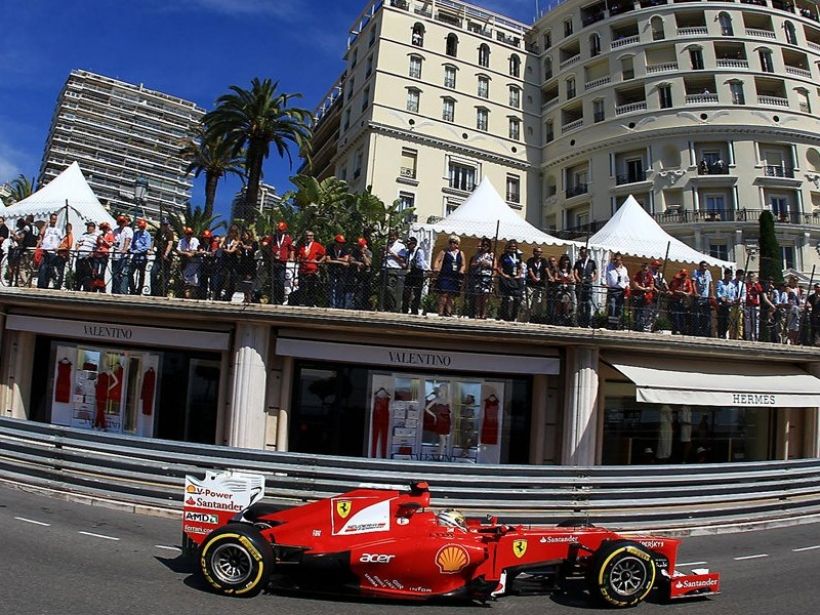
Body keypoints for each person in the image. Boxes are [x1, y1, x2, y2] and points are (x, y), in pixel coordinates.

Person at [433, 235, 465, 317]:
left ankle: (448, 312)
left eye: (454, 242)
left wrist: (461, 270)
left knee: (452, 295)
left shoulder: (460, 253)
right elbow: (437, 261)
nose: (452, 244)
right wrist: (436, 268)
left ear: (457, 244)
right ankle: (440, 312)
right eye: (450, 242)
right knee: (443, 294)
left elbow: (463, 264)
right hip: (445, 275)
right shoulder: (444, 252)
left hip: (454, 276)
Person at [496, 240, 524, 322]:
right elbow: (498, 267)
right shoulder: (504, 256)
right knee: (505, 298)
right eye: (511, 247)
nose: (513, 249)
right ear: (508, 247)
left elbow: (520, 267)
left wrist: (519, 275)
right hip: (506, 278)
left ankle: (514, 316)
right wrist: (503, 274)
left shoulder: (518, 256)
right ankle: (504, 316)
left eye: (514, 247)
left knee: (517, 298)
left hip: (515, 279)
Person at [296, 230, 325, 307]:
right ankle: (301, 303)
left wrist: (319, 262)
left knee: (311, 288)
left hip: (312, 270)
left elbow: (324, 254)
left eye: (310, 236)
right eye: (307, 236)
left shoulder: (317, 245)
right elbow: (297, 255)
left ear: (313, 237)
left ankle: (311, 303)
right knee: (302, 287)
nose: (308, 237)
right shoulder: (301, 246)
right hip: (302, 270)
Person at [36, 213, 65, 289]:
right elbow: (41, 233)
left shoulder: (58, 230)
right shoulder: (47, 229)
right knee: (43, 268)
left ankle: (48, 284)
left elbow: (62, 240)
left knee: (50, 269)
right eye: (52, 219)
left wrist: (58, 248)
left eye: (55, 219)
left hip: (53, 252)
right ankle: (41, 285)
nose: (54, 221)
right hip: (45, 251)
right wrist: (46, 224)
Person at [469, 237, 495, 320]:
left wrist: (488, 264)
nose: (485, 246)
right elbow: (472, 264)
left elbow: (495, 266)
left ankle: (484, 314)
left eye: (487, 245)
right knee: (478, 296)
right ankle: (477, 313)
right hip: (478, 276)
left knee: (485, 297)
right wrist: (479, 263)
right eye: (484, 245)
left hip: (487, 278)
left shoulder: (491, 255)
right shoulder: (477, 255)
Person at [381, 231, 407, 312]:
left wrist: (391, 252)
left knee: (391, 289)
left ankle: (394, 307)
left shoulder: (400, 246)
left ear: (396, 237)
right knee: (384, 290)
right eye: (390, 236)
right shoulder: (387, 245)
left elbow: (402, 259)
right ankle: (385, 307)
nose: (391, 238)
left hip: (394, 269)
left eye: (393, 236)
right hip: (385, 268)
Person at [402, 236, 428, 315]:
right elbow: (405, 261)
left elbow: (420, 264)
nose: (408, 246)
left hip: (417, 273)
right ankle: (405, 309)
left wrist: (412, 264)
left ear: (414, 244)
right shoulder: (407, 252)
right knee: (406, 291)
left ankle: (414, 310)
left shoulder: (419, 251)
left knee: (417, 292)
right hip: (409, 273)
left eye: (409, 244)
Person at [573, 246, 597, 327]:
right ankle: (579, 321)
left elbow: (596, 273)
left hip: (588, 285)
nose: (583, 254)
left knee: (588, 304)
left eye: (584, 253)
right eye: (582, 253)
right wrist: (579, 280)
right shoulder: (578, 263)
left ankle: (588, 322)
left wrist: (592, 280)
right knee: (580, 304)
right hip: (579, 285)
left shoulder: (591, 262)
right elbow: (575, 273)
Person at [270, 221, 293, 305]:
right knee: (273, 281)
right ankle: (273, 299)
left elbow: (292, 249)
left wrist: (291, 257)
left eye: (281, 230)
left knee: (280, 281)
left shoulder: (288, 239)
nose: (279, 232)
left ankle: (280, 299)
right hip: (273, 262)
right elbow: (265, 244)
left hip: (282, 262)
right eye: (278, 230)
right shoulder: (272, 238)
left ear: (284, 231)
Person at [150, 218, 175, 297]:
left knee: (165, 276)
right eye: (163, 224)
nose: (164, 226)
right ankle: (154, 291)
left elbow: (170, 244)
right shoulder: (158, 232)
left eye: (165, 225)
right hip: (158, 256)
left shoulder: (170, 233)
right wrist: (151, 249)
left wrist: (166, 254)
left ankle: (163, 292)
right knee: (153, 272)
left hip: (166, 257)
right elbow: (154, 241)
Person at [325, 234, 350, 308]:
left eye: (342, 243)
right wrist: (341, 261)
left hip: (342, 271)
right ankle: (332, 304)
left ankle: (339, 305)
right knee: (332, 287)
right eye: (339, 243)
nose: (341, 244)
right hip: (332, 269)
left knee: (340, 287)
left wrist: (334, 259)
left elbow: (346, 259)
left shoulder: (345, 249)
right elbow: (328, 260)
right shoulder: (330, 247)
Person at [605, 252, 629, 329]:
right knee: (612, 307)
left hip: (621, 290)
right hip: (612, 289)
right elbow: (603, 276)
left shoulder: (624, 269)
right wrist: (605, 284)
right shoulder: (609, 267)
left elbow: (627, 279)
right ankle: (610, 324)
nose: (615, 261)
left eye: (617, 260)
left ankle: (616, 325)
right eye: (614, 259)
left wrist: (627, 285)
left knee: (619, 308)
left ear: (621, 260)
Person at [128, 218, 152, 295]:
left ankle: (139, 290)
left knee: (142, 274)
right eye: (140, 227)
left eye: (142, 227)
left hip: (142, 256)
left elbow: (147, 246)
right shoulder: (136, 233)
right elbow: (133, 243)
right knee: (130, 272)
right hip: (135, 256)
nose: (141, 229)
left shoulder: (147, 234)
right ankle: (132, 289)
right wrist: (131, 249)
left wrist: (137, 251)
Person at [110, 215, 132, 294]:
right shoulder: (115, 230)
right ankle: (115, 291)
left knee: (123, 274)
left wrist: (124, 249)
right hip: (115, 255)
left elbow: (127, 240)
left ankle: (123, 292)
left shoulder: (128, 230)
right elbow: (114, 240)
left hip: (124, 256)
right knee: (115, 274)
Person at [74, 221, 99, 291]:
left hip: (88, 257)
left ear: (93, 228)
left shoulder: (97, 236)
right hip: (80, 256)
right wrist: (77, 247)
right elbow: (78, 243)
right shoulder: (83, 235)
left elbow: (98, 246)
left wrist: (92, 253)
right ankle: (77, 288)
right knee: (78, 273)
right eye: (88, 227)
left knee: (87, 274)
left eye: (90, 227)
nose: (88, 228)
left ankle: (86, 289)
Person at [177, 227, 201, 299]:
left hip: (194, 263)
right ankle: (187, 297)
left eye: (190, 234)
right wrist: (186, 253)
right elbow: (178, 251)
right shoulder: (181, 241)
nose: (189, 235)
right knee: (186, 282)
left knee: (194, 282)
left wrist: (185, 253)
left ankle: (193, 297)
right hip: (185, 262)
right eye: (187, 234)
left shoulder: (195, 240)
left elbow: (193, 252)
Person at [631, 262, 655, 332]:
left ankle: (642, 326)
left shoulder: (650, 276)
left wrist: (649, 289)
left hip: (646, 296)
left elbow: (652, 286)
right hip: (638, 295)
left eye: (646, 270)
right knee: (637, 311)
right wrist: (644, 289)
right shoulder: (637, 275)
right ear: (641, 269)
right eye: (644, 269)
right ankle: (636, 326)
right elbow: (635, 285)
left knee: (644, 312)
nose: (645, 271)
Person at [691, 261, 714, 337]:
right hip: (698, 297)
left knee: (706, 315)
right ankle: (696, 331)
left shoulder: (708, 273)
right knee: (697, 315)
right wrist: (695, 293)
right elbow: (693, 283)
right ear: (700, 266)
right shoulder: (696, 272)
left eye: (706, 266)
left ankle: (705, 332)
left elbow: (711, 284)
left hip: (706, 297)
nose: (705, 268)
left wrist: (712, 295)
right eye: (703, 266)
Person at [526, 246, 548, 323]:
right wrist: (533, 277)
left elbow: (546, 269)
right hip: (531, 284)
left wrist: (550, 277)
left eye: (540, 252)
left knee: (539, 303)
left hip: (540, 285)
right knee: (529, 302)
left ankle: (537, 318)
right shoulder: (530, 260)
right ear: (534, 252)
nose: (538, 253)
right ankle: (528, 318)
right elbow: (530, 270)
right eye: (537, 252)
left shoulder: (544, 261)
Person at [349, 237, 372, 309]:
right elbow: (351, 260)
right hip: (357, 275)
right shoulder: (355, 252)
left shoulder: (368, 252)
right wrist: (357, 263)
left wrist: (363, 254)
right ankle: (356, 306)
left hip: (366, 275)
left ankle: (364, 306)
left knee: (364, 292)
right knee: (357, 292)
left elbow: (368, 263)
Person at [668, 269, 693, 334]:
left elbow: (690, 291)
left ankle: (683, 330)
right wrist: (682, 293)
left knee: (682, 315)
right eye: (682, 275)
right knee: (675, 315)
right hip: (675, 299)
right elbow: (674, 290)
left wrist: (687, 294)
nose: (683, 277)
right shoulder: (676, 280)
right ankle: (676, 329)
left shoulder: (688, 281)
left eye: (684, 275)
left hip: (683, 301)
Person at [553, 253, 575, 325]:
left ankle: (566, 316)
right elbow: (555, 278)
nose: (565, 262)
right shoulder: (558, 269)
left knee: (566, 300)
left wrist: (570, 280)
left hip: (567, 289)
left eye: (567, 260)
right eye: (564, 260)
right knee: (559, 300)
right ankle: (558, 317)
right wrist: (561, 279)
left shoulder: (570, 270)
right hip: (560, 288)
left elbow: (572, 278)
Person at [92, 221, 113, 292]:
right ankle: (95, 285)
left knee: (102, 271)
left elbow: (110, 245)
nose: (104, 229)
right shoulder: (100, 235)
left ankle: (101, 287)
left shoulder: (110, 235)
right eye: (103, 228)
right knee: (95, 270)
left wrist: (104, 240)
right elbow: (97, 244)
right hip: (98, 254)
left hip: (104, 254)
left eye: (105, 228)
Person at [716, 268, 737, 339]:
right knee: (721, 320)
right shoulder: (720, 282)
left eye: (731, 275)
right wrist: (722, 298)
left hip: (728, 305)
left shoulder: (731, 285)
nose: (730, 277)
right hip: (721, 304)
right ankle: (720, 334)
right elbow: (718, 292)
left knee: (727, 321)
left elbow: (733, 295)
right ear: (725, 275)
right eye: (729, 275)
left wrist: (731, 300)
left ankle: (725, 333)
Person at [744, 272, 764, 342]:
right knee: (748, 322)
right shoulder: (745, 285)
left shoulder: (757, 285)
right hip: (748, 305)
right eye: (750, 277)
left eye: (753, 276)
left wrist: (754, 285)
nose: (751, 278)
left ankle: (756, 337)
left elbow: (760, 291)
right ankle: (748, 337)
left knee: (756, 322)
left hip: (756, 305)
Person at [54, 222, 73, 290]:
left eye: (68, 228)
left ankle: (61, 284)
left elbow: (68, 246)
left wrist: (59, 248)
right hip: (60, 254)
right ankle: (58, 282)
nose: (67, 230)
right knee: (58, 269)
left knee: (61, 270)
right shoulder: (65, 236)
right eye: (66, 228)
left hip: (63, 255)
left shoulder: (70, 236)